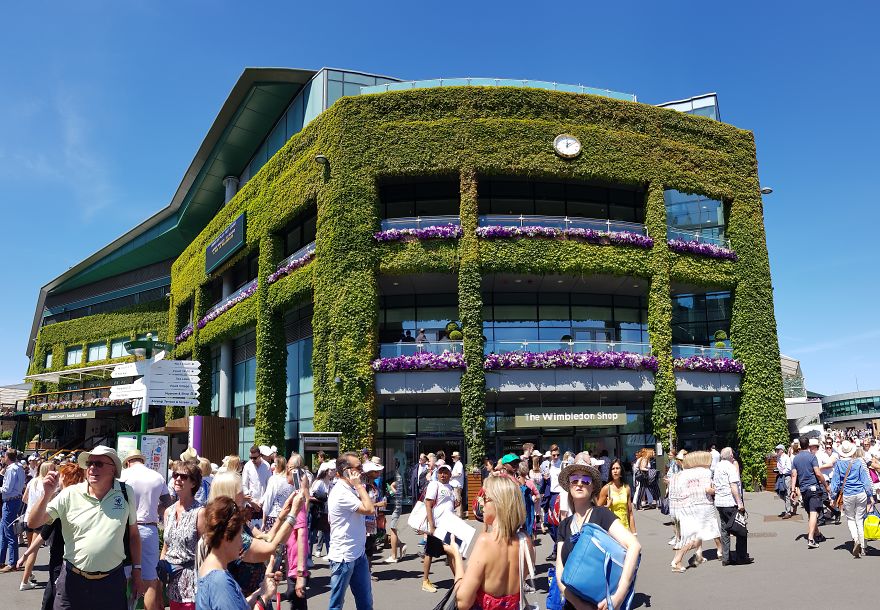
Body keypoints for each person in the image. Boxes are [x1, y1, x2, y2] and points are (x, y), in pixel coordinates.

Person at [27, 445, 144, 610]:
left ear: (113, 470)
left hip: (111, 582)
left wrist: (137, 570)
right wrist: (46, 495)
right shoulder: (69, 494)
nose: (92, 468)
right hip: (73, 581)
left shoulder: (126, 492)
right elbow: (33, 523)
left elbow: (133, 535)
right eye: (90, 463)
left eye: (99, 464)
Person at [555, 460, 640, 610]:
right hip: (573, 605)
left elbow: (634, 545)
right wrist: (579, 605)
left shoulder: (601, 514)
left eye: (585, 480)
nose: (579, 484)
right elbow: (559, 572)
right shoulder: (564, 525)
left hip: (603, 603)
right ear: (569, 485)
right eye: (574, 479)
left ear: (593, 486)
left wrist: (619, 596)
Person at [445, 475, 533, 610]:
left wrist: (456, 555)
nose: (481, 503)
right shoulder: (525, 541)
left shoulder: (485, 541)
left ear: (499, 503)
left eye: (485, 498)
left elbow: (463, 602)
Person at [207, 470, 300, 597]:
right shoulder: (228, 529)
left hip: (256, 592)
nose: (244, 493)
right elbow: (269, 549)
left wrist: (282, 515)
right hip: (244, 598)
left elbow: (266, 538)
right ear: (230, 494)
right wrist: (293, 514)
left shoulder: (240, 520)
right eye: (240, 490)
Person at [196, 496, 283, 610]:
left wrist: (262, 590)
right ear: (226, 538)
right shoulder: (220, 581)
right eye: (240, 536)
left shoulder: (210, 568)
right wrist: (264, 598)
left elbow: (239, 605)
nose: (242, 542)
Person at [18, 463, 84, 610]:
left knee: (56, 597)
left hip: (62, 560)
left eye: (60, 476)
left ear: (65, 478)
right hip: (72, 561)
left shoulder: (62, 501)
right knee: (53, 595)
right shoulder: (68, 500)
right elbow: (43, 531)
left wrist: (25, 555)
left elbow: (42, 533)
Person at [119, 450, 172, 610]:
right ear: (142, 461)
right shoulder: (157, 476)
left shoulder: (122, 476)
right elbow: (167, 503)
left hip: (126, 530)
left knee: (122, 577)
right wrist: (155, 509)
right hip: (149, 528)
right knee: (150, 580)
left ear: (128, 462)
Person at [327, 452, 375, 610]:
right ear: (347, 471)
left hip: (358, 553)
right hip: (344, 558)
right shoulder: (342, 492)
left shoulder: (349, 488)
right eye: (358, 467)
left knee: (366, 603)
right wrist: (359, 485)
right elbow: (369, 509)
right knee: (336, 605)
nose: (361, 471)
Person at [158, 459, 203, 610]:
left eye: (183, 476)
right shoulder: (168, 512)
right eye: (175, 475)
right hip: (172, 583)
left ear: (193, 483)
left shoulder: (200, 513)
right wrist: (160, 574)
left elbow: (206, 551)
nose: (177, 479)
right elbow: (166, 546)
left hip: (193, 584)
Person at [670, 451, 720, 571]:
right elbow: (707, 490)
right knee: (694, 539)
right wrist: (716, 490)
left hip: (683, 509)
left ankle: (694, 557)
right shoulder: (705, 472)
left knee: (692, 537)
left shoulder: (680, 474)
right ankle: (676, 561)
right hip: (701, 507)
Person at [830, 439, 875, 558]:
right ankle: (864, 547)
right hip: (861, 493)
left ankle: (856, 539)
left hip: (848, 494)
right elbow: (865, 480)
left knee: (850, 518)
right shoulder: (858, 462)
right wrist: (870, 495)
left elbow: (835, 482)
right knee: (860, 519)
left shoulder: (839, 464)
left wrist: (833, 497)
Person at [421, 462, 457, 593]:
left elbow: (449, 505)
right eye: (441, 472)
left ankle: (458, 579)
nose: (443, 475)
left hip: (448, 525)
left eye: (445, 472)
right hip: (437, 525)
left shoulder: (451, 487)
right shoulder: (434, 485)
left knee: (452, 552)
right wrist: (431, 526)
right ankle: (425, 581)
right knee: (430, 553)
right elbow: (428, 505)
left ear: (450, 474)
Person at [19, 461, 54, 590]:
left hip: (28, 517)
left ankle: (28, 574)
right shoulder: (48, 484)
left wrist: (32, 504)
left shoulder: (32, 481)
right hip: (40, 519)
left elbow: (24, 498)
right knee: (33, 551)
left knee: (30, 548)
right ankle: (24, 581)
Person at [791, 436, 831, 549]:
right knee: (814, 512)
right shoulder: (812, 457)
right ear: (808, 445)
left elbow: (794, 475)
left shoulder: (796, 459)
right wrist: (826, 485)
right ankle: (811, 538)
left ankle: (817, 534)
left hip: (803, 489)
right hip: (813, 487)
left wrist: (793, 490)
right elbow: (818, 473)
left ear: (800, 445)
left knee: (810, 512)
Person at [713, 447, 751, 565]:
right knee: (740, 529)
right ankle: (741, 557)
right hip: (730, 502)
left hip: (720, 502)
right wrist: (740, 503)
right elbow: (734, 486)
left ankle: (726, 558)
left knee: (725, 530)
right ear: (731, 456)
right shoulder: (730, 467)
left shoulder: (718, 466)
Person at [284, 470, 311, 610]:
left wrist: (300, 572)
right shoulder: (297, 500)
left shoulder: (299, 501)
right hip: (294, 564)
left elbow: (301, 535)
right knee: (297, 602)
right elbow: (300, 535)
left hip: (296, 564)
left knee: (298, 604)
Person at [0, 448, 26, 572]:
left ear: (7, 457)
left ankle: (12, 563)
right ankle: (2, 560)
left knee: (9, 533)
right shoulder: (19, 467)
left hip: (10, 501)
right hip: (14, 500)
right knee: (4, 532)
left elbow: (7, 489)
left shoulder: (11, 469)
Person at [598, 459, 636, 534]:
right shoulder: (606, 488)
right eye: (613, 469)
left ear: (621, 471)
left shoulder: (626, 488)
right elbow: (597, 511)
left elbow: (630, 513)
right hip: (612, 531)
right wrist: (607, 506)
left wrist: (634, 533)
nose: (615, 471)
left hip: (625, 529)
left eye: (617, 468)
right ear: (610, 471)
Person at [260, 456, 294, 533]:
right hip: (287, 516)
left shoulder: (273, 479)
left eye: (275, 464)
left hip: (274, 515)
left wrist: (263, 522)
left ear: (278, 466)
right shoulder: (290, 480)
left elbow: (268, 500)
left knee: (271, 539)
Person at [383, 459, 406, 563]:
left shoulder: (398, 476)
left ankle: (394, 556)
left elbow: (397, 493)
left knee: (393, 530)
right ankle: (401, 545)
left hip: (397, 506)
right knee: (392, 529)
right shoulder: (399, 475)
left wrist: (392, 487)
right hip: (397, 506)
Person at [543, 444, 563, 561]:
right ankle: (559, 544)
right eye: (554, 455)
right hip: (549, 495)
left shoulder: (563, 465)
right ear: (550, 454)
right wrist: (544, 479)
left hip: (559, 495)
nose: (555, 457)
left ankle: (557, 550)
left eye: (557, 455)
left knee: (556, 522)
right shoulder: (547, 465)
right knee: (548, 522)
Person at [310, 462, 334, 557]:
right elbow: (311, 496)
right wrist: (323, 498)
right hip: (317, 512)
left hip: (327, 512)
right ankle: (309, 556)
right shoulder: (319, 482)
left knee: (328, 535)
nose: (334, 471)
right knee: (313, 534)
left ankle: (330, 555)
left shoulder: (330, 482)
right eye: (331, 470)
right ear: (326, 471)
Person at [774, 444, 794, 518]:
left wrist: (782, 471)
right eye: (776, 450)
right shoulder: (778, 457)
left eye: (778, 450)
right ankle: (792, 503)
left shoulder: (786, 457)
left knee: (786, 493)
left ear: (782, 450)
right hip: (780, 476)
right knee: (779, 492)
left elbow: (789, 468)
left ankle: (788, 512)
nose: (777, 451)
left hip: (786, 476)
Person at [450, 451, 465, 517]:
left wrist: (451, 476)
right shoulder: (457, 464)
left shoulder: (459, 464)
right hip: (456, 485)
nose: (452, 458)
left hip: (457, 485)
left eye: (453, 457)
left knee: (458, 499)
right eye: (452, 457)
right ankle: (459, 514)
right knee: (457, 499)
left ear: (457, 457)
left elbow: (459, 474)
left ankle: (459, 514)